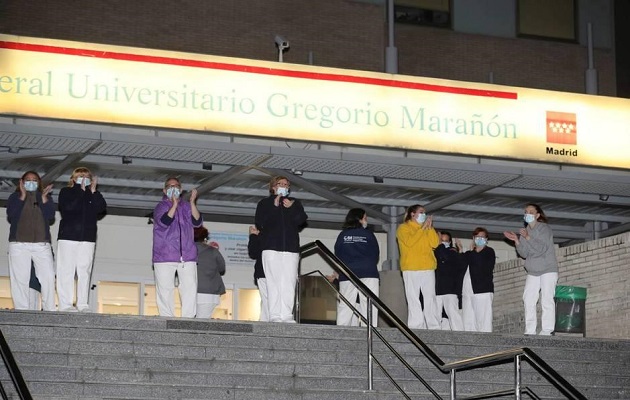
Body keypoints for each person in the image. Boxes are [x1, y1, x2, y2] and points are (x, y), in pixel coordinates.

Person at [254, 176, 308, 323]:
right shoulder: (265, 203)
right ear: (273, 187)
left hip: (290, 249)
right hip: (271, 248)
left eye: (286, 184)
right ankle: (275, 315)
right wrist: (274, 206)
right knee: (274, 282)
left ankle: (286, 314)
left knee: (289, 282)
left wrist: (291, 208)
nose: (283, 186)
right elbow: (260, 222)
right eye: (280, 184)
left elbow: (301, 220)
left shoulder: (295, 203)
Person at [57, 167, 107, 312]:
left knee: (84, 271)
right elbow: (68, 207)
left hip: (87, 238)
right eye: (80, 176)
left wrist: (93, 191)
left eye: (86, 176)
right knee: (66, 270)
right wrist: (80, 190)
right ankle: (65, 304)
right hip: (68, 237)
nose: (83, 178)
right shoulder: (66, 192)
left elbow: (101, 208)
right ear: (73, 178)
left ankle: (83, 304)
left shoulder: (92, 194)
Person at [504, 203, 559, 336]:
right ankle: (530, 331)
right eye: (526, 212)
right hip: (533, 270)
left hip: (548, 269)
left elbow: (541, 248)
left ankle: (547, 330)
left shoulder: (544, 228)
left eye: (531, 211)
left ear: (537, 215)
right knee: (528, 299)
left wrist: (528, 237)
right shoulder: (524, 232)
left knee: (546, 299)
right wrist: (517, 240)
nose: (527, 214)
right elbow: (524, 253)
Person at [152, 177, 202, 318]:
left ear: (180, 190)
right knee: (165, 289)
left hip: (187, 255)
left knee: (189, 288)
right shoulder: (161, 206)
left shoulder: (186, 206)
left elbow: (197, 222)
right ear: (164, 190)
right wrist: (173, 205)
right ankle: (167, 317)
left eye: (176, 186)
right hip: (164, 255)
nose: (173, 188)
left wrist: (192, 203)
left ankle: (188, 318)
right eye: (169, 186)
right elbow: (164, 222)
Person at [6, 171, 56, 311]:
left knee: (48, 277)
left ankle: (49, 309)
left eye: (34, 180)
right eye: (28, 179)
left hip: (42, 244)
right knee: (20, 279)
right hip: (19, 244)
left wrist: (45, 199)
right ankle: (22, 309)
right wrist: (22, 196)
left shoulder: (44, 197)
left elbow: (50, 215)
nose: (31, 182)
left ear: (39, 182)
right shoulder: (15, 197)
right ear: (21, 182)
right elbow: (11, 214)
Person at [332, 208, 380, 327]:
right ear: (359, 219)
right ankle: (370, 332)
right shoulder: (368, 234)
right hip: (368, 272)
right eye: (365, 218)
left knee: (346, 304)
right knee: (369, 304)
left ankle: (341, 331)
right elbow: (375, 253)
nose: (366, 221)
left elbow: (338, 254)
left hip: (348, 273)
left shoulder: (343, 235)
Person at [396, 204, 440, 330]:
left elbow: (435, 244)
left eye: (425, 213)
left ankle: (433, 325)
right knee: (413, 297)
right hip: (411, 268)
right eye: (421, 212)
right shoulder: (403, 228)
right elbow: (410, 242)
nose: (423, 215)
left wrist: (430, 228)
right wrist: (422, 229)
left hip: (428, 267)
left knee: (430, 297)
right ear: (412, 214)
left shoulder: (426, 228)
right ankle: (416, 325)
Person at [462, 227, 495, 332]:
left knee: (483, 320)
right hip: (468, 291)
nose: (479, 239)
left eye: (482, 237)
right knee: (468, 320)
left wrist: (474, 252)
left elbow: (482, 266)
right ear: (473, 238)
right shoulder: (469, 254)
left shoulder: (489, 252)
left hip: (482, 290)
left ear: (486, 239)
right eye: (477, 237)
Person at [434, 231, 466, 331]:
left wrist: (439, 244)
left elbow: (444, 256)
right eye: (441, 240)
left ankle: (459, 335)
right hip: (436, 290)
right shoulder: (434, 252)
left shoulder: (452, 252)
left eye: (445, 241)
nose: (443, 243)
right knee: (436, 316)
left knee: (453, 314)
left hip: (450, 290)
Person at [194, 226, 226, 319]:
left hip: (190, 291)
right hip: (209, 293)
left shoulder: (186, 251)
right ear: (205, 238)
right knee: (202, 322)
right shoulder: (213, 251)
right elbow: (222, 268)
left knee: (190, 320)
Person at [248, 226, 268, 322]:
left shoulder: (263, 236)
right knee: (269, 299)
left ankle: (265, 321)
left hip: (263, 272)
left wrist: (253, 236)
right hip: (272, 272)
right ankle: (266, 321)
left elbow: (253, 252)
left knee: (266, 299)